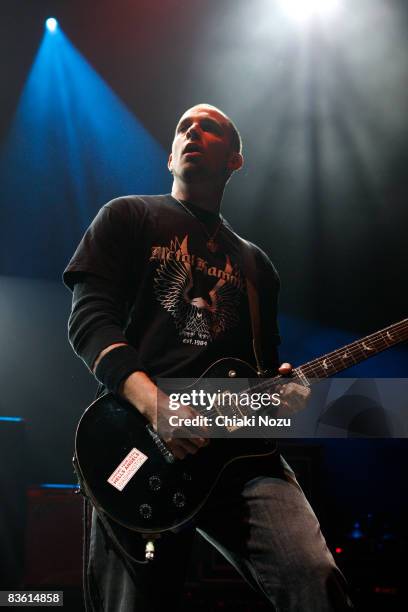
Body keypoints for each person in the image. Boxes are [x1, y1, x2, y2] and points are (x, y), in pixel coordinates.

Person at [64, 104, 353, 611]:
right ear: (170, 157)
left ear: (235, 160)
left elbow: (260, 368)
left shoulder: (256, 264)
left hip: (242, 455)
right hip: (139, 438)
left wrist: (281, 393)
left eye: (209, 127)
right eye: (182, 128)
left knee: (315, 579)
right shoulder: (128, 215)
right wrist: (158, 408)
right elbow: (90, 323)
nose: (192, 131)